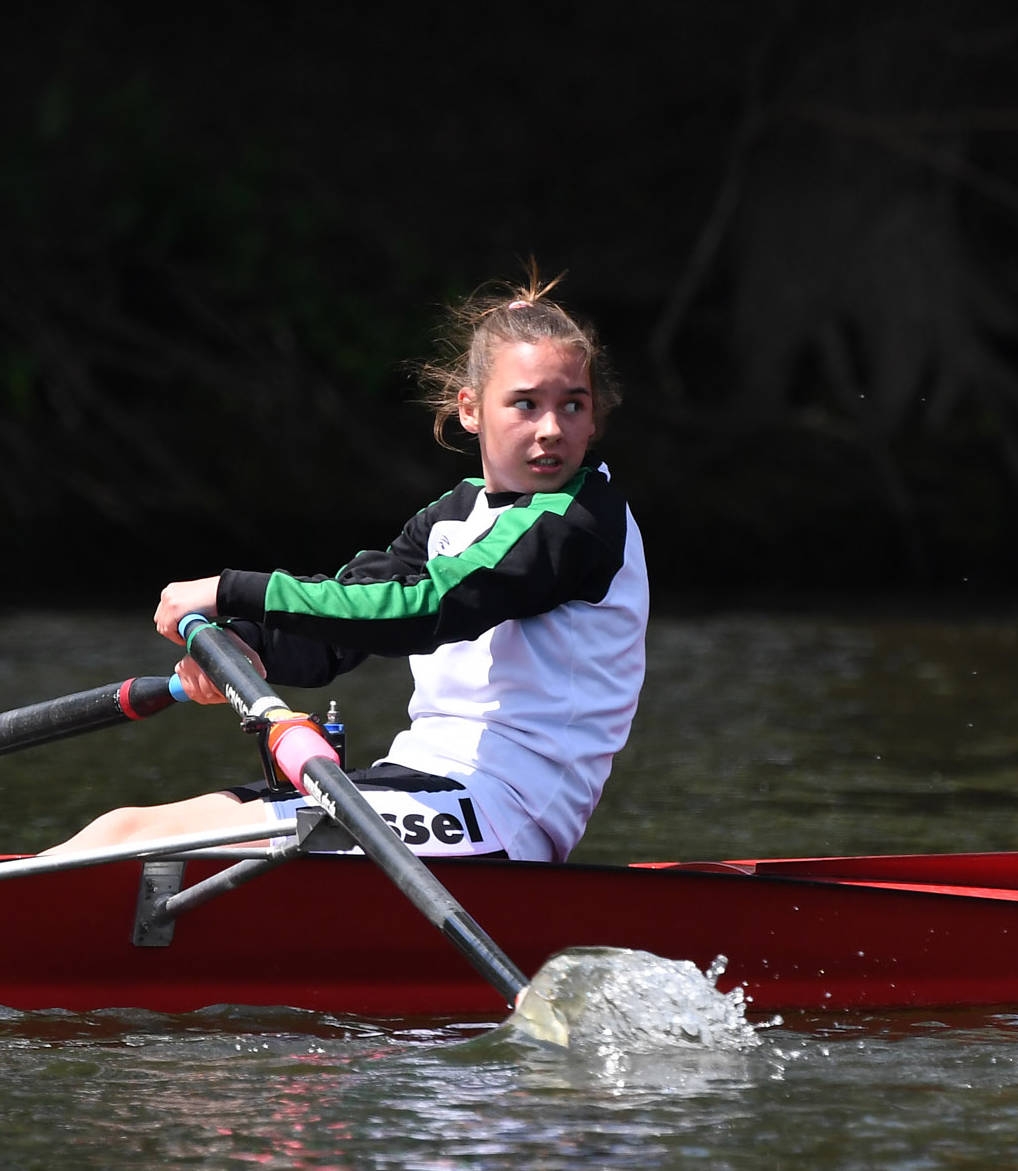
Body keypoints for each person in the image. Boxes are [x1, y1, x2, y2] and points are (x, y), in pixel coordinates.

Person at [54, 275, 648, 863]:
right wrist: (247, 645)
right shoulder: (455, 514)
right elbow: (350, 615)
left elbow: (423, 609)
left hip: (509, 812)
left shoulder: (577, 522)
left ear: (593, 419)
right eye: (526, 404)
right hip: (423, 785)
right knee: (120, 828)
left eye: (573, 405)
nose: (552, 429)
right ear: (470, 410)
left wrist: (232, 591)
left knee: (141, 848)